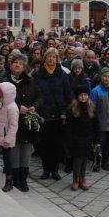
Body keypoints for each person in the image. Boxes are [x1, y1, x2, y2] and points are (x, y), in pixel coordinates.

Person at [32, 48, 72, 180]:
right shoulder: (37, 75)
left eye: (54, 57)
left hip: (59, 114)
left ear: (57, 59)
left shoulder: (63, 75)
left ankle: (54, 170)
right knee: (44, 143)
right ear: (45, 58)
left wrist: (66, 111)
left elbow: (68, 94)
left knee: (57, 144)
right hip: (43, 114)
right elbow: (34, 94)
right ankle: (46, 170)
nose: (51, 59)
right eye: (49, 56)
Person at [7, 52, 42, 192]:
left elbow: (40, 97)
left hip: (27, 122)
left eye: (21, 63)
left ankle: (23, 179)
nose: (18, 65)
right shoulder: (6, 81)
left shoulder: (31, 81)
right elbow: (0, 99)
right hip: (12, 120)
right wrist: (17, 106)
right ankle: (15, 179)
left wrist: (34, 106)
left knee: (26, 151)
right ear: (10, 65)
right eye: (15, 62)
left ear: (24, 67)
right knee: (14, 150)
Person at [67, 86, 96, 190]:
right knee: (77, 160)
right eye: (81, 95)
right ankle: (75, 180)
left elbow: (96, 124)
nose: (83, 97)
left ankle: (82, 179)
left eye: (85, 95)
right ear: (77, 96)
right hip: (77, 138)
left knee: (85, 159)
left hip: (88, 138)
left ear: (88, 96)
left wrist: (97, 139)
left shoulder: (92, 107)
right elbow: (68, 126)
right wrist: (69, 140)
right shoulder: (72, 109)